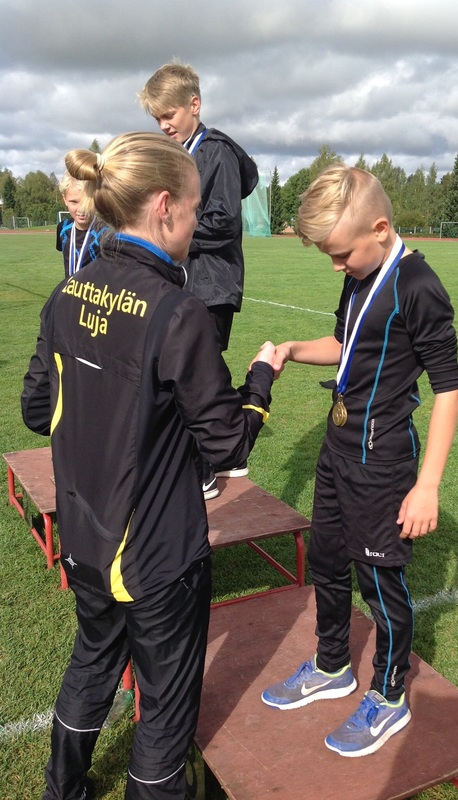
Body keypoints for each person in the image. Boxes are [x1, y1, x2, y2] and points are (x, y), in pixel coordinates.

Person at [22, 132, 275, 800]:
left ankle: (61, 789)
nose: (196, 226)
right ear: (164, 206)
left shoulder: (67, 294)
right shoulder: (177, 311)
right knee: (164, 707)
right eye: (193, 211)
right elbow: (228, 447)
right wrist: (260, 381)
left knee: (91, 661)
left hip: (84, 536)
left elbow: (36, 409)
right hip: (156, 555)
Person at [261, 164, 458, 758]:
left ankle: (389, 695)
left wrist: (427, 486)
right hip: (338, 449)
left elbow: (449, 389)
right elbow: (347, 346)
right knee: (326, 561)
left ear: (379, 229)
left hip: (383, 462)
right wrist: (294, 349)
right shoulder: (360, 273)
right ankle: (331, 667)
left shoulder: (418, 286)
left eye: (340, 254)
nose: (335, 266)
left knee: (378, 580)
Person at [139, 61, 259, 499]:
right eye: (157, 118)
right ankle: (214, 453)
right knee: (184, 373)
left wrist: (163, 236)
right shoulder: (181, 154)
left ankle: (207, 466)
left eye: (168, 115)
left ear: (194, 104)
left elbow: (223, 223)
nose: (163, 125)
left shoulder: (216, 152)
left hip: (212, 286)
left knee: (196, 377)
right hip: (188, 283)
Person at [56, 171, 107, 280]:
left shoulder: (106, 233)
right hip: (70, 289)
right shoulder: (62, 228)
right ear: (65, 200)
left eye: (87, 201)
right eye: (74, 202)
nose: (81, 209)